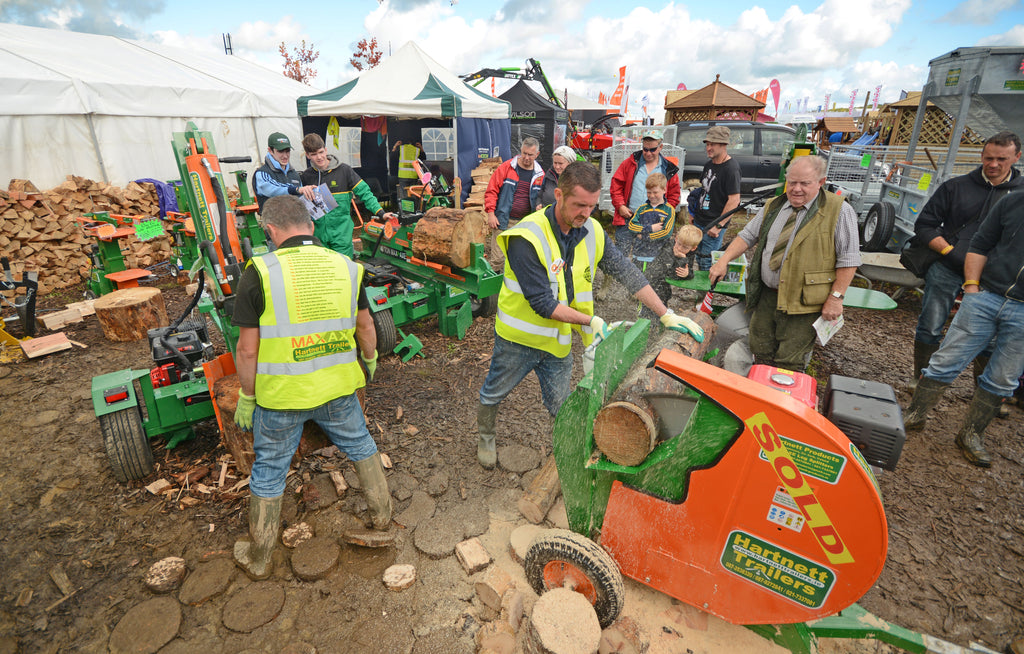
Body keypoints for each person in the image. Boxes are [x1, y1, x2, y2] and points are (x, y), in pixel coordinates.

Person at [475, 162, 705, 468]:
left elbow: (625, 271)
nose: (586, 213)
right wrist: (591, 320)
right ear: (558, 194)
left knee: (561, 403)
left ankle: (566, 451)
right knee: (494, 392)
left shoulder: (591, 230)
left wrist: (665, 314)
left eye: (592, 206)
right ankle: (486, 435)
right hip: (518, 339)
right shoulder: (526, 237)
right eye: (579, 205)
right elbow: (542, 303)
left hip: (557, 341)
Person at [230, 195, 391, 579]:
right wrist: (369, 360)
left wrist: (247, 397)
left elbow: (246, 351)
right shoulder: (348, 267)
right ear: (312, 225)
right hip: (338, 390)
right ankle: (382, 518)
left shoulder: (260, 271)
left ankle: (259, 556)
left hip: (282, 397)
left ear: (269, 231)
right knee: (362, 445)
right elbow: (366, 328)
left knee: (269, 469)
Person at [902, 191, 1024, 468]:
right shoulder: (1013, 201)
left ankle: (971, 434)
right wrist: (971, 288)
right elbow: (981, 244)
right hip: (987, 296)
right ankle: (915, 415)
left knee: (1003, 377)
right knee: (946, 360)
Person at [708, 155, 859, 372]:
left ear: (821, 182)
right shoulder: (774, 205)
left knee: (790, 361)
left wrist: (836, 298)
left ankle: (781, 400)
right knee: (760, 351)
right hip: (767, 296)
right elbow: (747, 235)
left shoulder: (839, 211)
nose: (796, 189)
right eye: (792, 182)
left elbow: (849, 259)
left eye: (804, 183)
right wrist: (723, 260)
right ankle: (759, 396)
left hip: (803, 304)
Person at [907, 131, 1022, 390]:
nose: (993, 164)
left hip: (995, 278)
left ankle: (985, 389)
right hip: (948, 266)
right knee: (931, 324)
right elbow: (924, 225)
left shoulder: (1020, 194)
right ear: (981, 155)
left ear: (1017, 157)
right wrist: (949, 252)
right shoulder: (955, 187)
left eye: (1002, 159)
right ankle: (921, 380)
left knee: (992, 337)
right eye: (989, 158)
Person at [300, 133, 394, 258]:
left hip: (341, 234)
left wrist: (381, 212)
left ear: (326, 149)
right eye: (314, 154)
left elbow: (365, 192)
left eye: (321, 152)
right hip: (318, 236)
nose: (319, 157)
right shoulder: (306, 176)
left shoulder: (344, 171)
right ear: (307, 155)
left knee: (345, 270)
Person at [609, 130, 680, 249]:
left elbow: (674, 194)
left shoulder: (668, 169)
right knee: (620, 255)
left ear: (660, 147)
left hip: (655, 221)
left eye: (652, 150)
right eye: (645, 149)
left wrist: (665, 213)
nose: (648, 153)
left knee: (647, 258)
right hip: (629, 217)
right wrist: (620, 205)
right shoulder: (630, 163)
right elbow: (616, 185)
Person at [691, 126, 741, 270]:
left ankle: (706, 293)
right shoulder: (709, 164)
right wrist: (692, 213)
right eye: (707, 144)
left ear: (723, 144)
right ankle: (700, 292)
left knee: (708, 263)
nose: (708, 148)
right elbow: (703, 191)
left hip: (714, 225)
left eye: (712, 144)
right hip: (700, 221)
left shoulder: (731, 168)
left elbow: (734, 200)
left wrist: (718, 225)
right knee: (698, 258)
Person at [484, 137, 544, 230]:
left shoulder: (540, 175)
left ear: (537, 154)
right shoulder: (506, 167)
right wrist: (491, 214)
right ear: (521, 150)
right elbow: (491, 191)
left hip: (526, 224)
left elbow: (541, 198)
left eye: (530, 155)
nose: (526, 157)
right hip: (503, 222)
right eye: (524, 153)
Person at [253, 132, 316, 212]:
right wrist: (296, 189)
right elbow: (272, 189)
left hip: (295, 221)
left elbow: (301, 200)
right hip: (274, 222)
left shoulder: (294, 174)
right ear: (270, 150)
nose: (285, 156)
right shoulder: (262, 173)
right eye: (280, 151)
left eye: (287, 151)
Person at [627, 173, 676, 262]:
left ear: (664, 190)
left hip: (658, 256)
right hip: (638, 254)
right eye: (649, 192)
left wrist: (646, 237)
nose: (652, 195)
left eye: (655, 192)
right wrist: (650, 228)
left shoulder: (669, 210)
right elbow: (631, 226)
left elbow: (666, 232)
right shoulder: (642, 208)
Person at [537, 145, 576, 210]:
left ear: (570, 163)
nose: (557, 167)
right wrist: (538, 204)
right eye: (555, 163)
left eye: (560, 163)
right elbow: (540, 193)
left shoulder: (577, 179)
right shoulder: (549, 175)